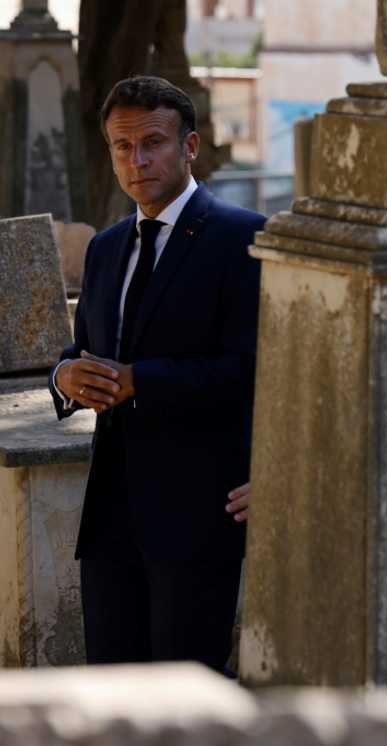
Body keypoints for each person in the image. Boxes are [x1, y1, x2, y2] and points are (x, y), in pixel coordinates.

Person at [48, 75, 264, 670]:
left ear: (190, 147)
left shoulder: (243, 238)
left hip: (198, 514)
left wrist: (144, 379)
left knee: (184, 700)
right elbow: (82, 352)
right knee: (113, 698)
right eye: (123, 146)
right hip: (111, 517)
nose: (137, 159)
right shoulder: (106, 247)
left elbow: (251, 369)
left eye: (154, 142)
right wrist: (64, 380)